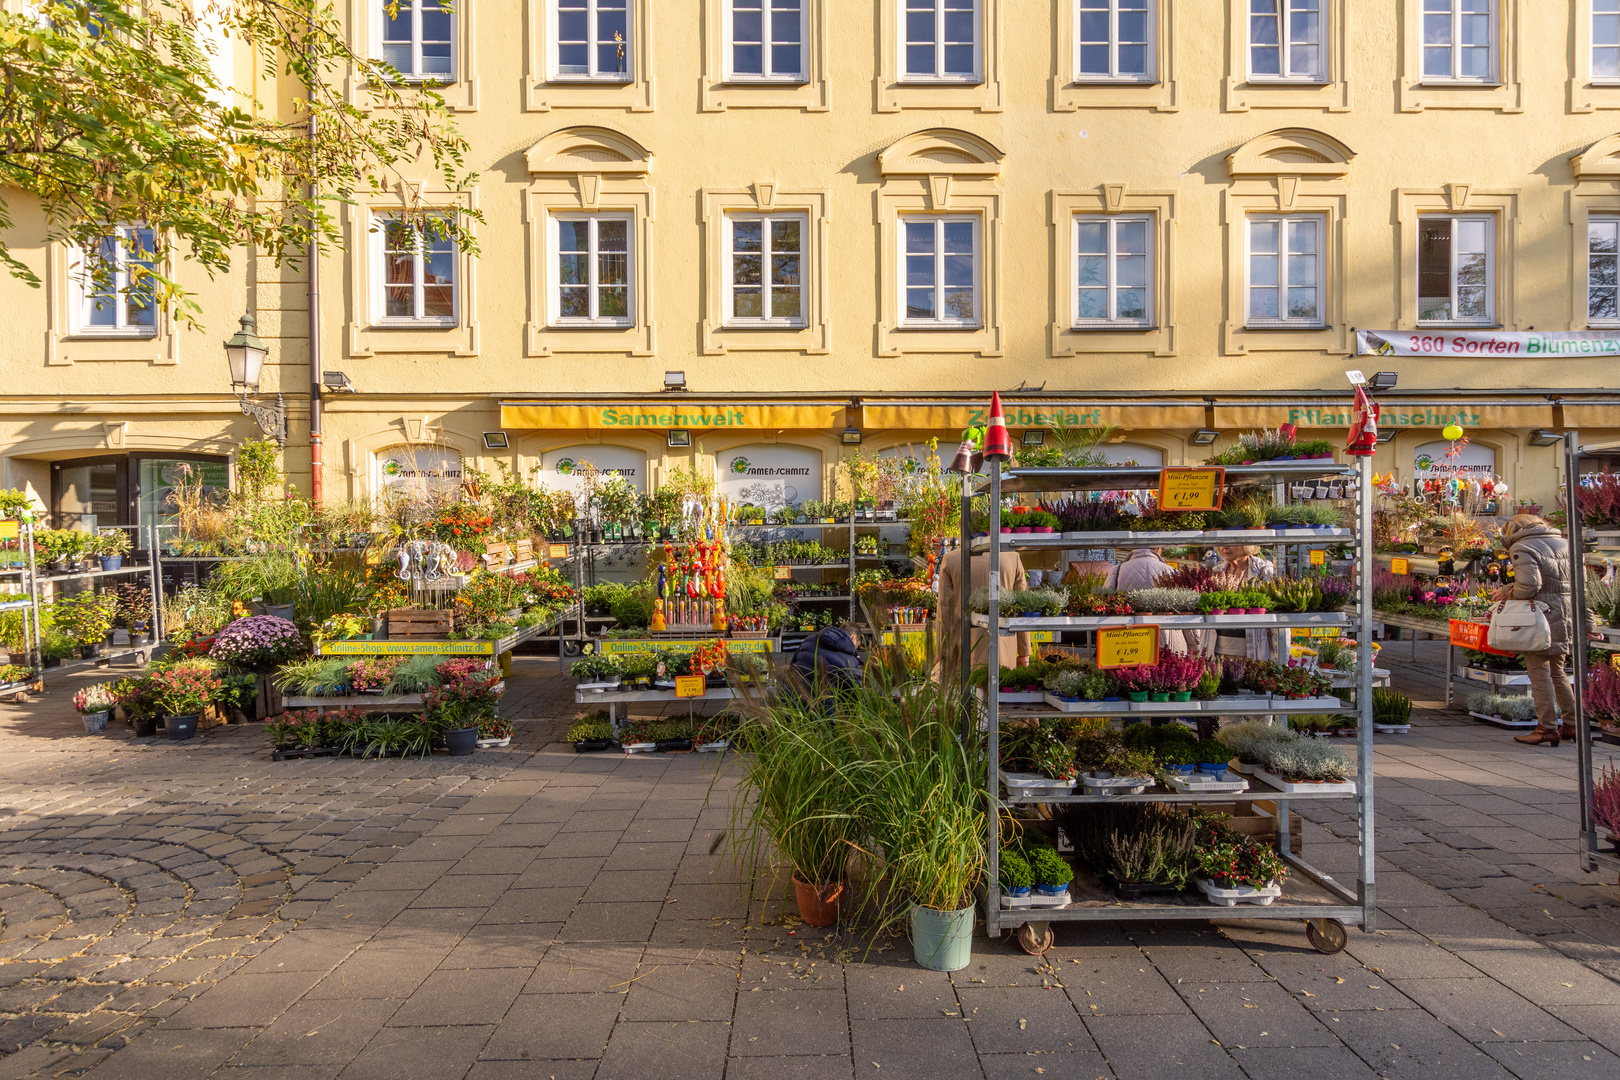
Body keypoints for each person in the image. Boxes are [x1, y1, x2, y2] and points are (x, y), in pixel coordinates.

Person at [1497, 514, 1591, 747]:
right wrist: (1588, 622)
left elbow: (1529, 585)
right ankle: (1573, 723)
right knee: (1557, 671)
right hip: (1566, 617)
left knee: (1539, 673)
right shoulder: (1566, 544)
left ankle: (1546, 728)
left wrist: (1508, 591)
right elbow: (1584, 587)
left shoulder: (1523, 546)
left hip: (1541, 618)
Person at [938, 547, 1031, 671]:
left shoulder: (951, 559)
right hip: (1003, 648)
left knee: (966, 688)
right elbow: (1022, 606)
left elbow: (944, 610)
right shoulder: (1012, 558)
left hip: (963, 649)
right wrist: (1024, 651)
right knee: (1001, 686)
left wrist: (942, 654)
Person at [790, 623, 863, 706]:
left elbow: (792, 666)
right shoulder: (850, 660)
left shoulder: (810, 640)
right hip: (825, 712)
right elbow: (855, 697)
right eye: (858, 645)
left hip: (795, 705)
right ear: (854, 638)